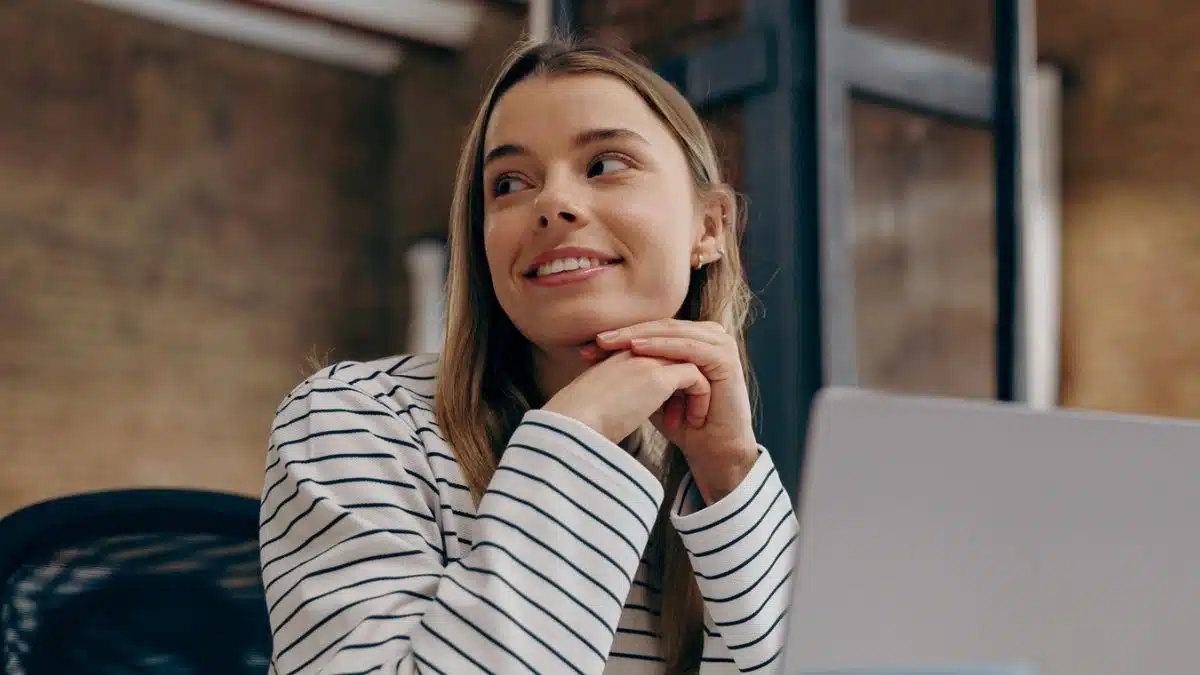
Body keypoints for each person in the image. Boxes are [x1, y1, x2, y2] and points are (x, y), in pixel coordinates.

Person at [259, 37, 800, 675]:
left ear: (709, 227)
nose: (552, 205)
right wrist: (579, 431)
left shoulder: (712, 481)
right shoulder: (353, 419)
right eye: (509, 183)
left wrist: (733, 476)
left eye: (604, 165)